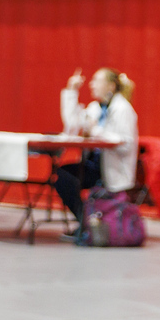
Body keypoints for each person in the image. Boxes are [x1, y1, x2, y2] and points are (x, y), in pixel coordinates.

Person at [54, 67, 140, 242]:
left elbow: (124, 144)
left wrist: (95, 130)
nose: (91, 85)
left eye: (96, 81)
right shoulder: (95, 107)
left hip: (112, 169)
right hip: (94, 165)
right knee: (63, 177)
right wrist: (72, 91)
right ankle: (85, 221)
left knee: (68, 178)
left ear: (110, 86)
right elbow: (73, 123)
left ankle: (88, 224)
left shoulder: (122, 109)